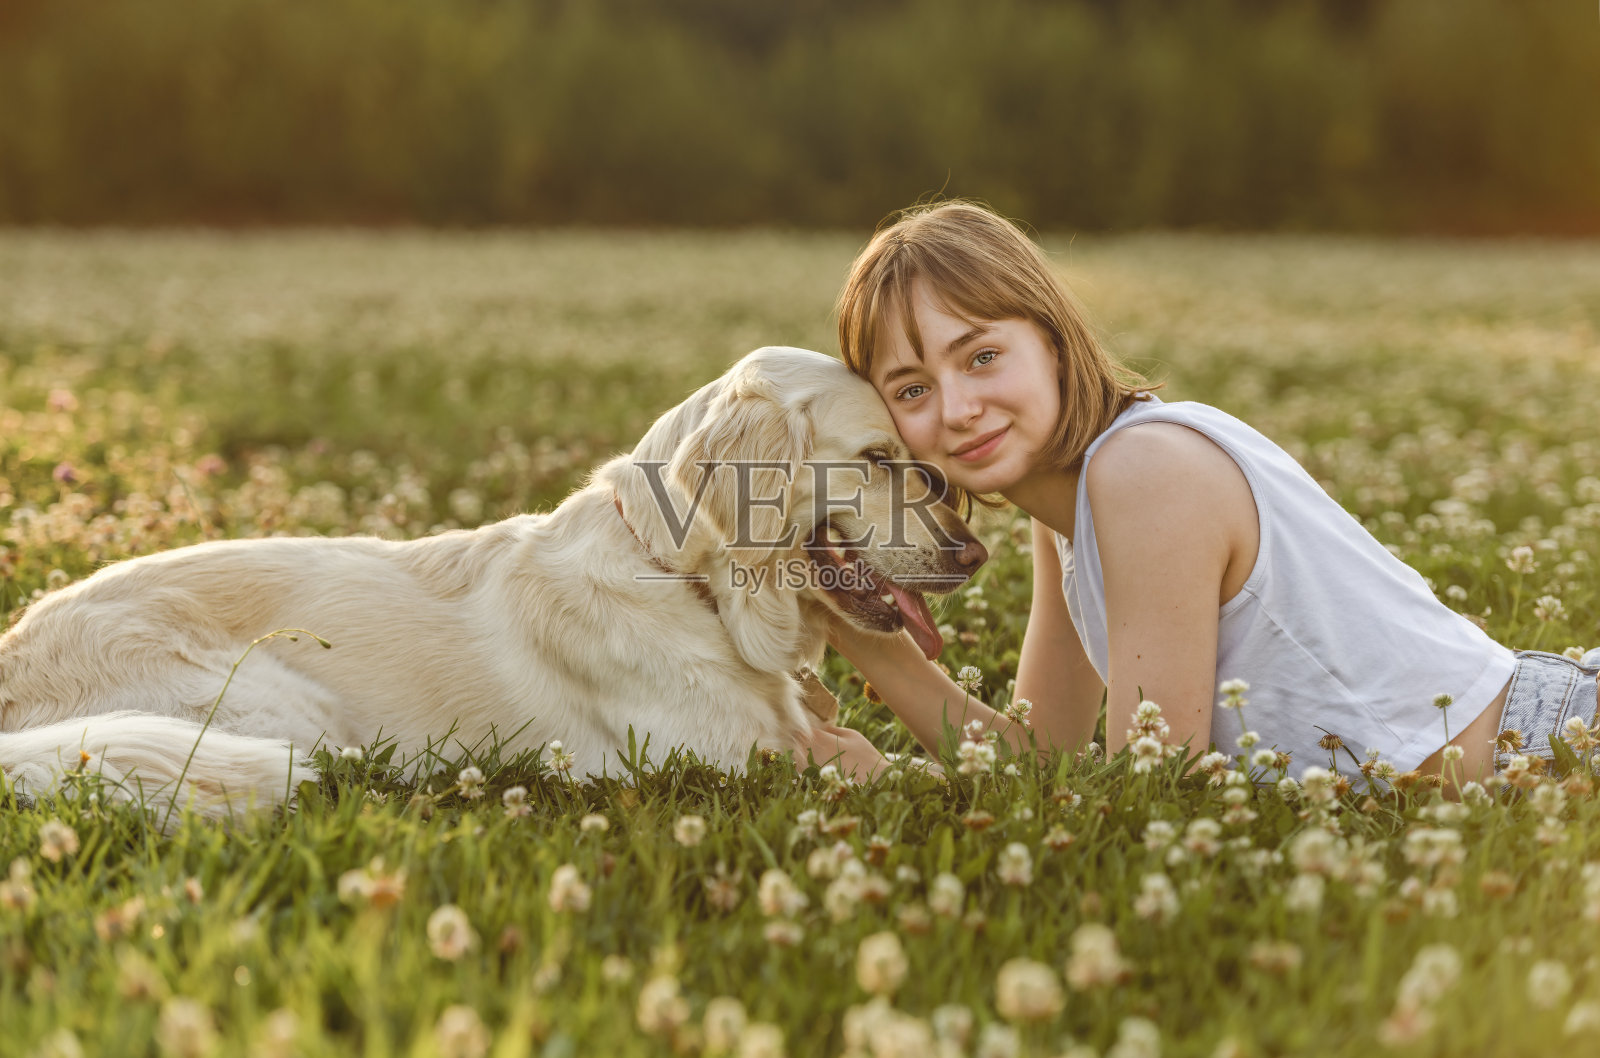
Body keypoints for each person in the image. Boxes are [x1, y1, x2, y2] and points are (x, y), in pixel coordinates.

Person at [813, 199, 1597, 786]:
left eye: (982, 356)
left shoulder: (1145, 475)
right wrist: (858, 631)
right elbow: (1043, 761)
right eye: (912, 390)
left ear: (1052, 341)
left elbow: (1151, 787)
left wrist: (886, 777)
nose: (956, 408)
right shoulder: (1064, 521)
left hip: (1554, 749)